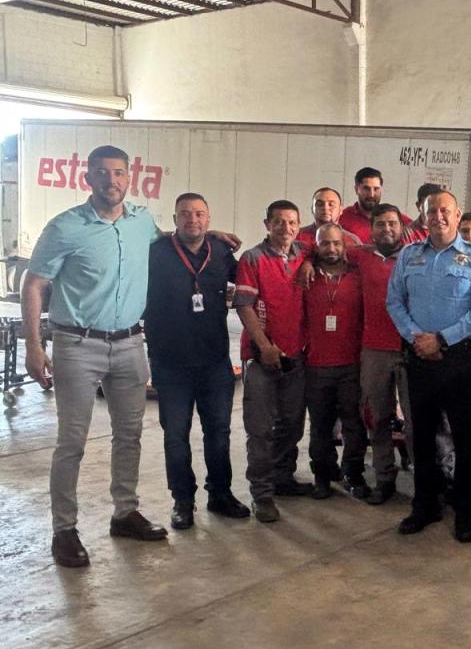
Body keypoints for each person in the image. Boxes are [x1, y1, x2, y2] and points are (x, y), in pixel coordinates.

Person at [23, 144, 168, 568]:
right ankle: (64, 530)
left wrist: (210, 235)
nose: (111, 180)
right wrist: (34, 346)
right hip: (76, 344)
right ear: (87, 178)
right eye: (102, 173)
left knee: (130, 434)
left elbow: (171, 246)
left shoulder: (142, 222)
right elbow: (34, 284)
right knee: (72, 441)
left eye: (118, 173)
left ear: (129, 177)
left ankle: (125, 512)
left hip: (130, 344)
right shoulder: (65, 227)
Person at [386, 190, 471, 543]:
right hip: (419, 358)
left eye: (445, 210)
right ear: (423, 215)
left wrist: (442, 340)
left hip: (460, 361)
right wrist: (418, 339)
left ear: (457, 214)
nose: (438, 216)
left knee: (464, 437)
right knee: (421, 435)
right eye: (431, 211)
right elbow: (394, 301)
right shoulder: (409, 255)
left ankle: (463, 508)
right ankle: (425, 504)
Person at [145, 192, 250, 531]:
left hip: (214, 362)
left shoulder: (220, 251)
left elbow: (249, 278)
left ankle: (220, 494)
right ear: (174, 219)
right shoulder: (156, 252)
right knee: (176, 436)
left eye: (199, 214)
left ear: (209, 218)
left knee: (218, 433)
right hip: (170, 363)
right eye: (185, 214)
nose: (193, 220)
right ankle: (182, 500)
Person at [235, 200, 310, 523]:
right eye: (278, 222)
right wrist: (264, 346)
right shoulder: (252, 258)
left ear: (299, 225)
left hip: (296, 356)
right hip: (261, 358)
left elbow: (326, 251)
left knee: (292, 425)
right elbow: (244, 305)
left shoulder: (304, 253)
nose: (286, 228)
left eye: (292, 222)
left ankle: (283, 477)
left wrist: (309, 263)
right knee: (260, 430)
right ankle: (262, 494)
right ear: (267, 224)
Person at [347, 203, 413, 505]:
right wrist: (308, 263)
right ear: (371, 228)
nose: (387, 229)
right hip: (374, 350)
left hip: (411, 349)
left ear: (402, 227)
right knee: (378, 417)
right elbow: (321, 249)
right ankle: (384, 477)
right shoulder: (359, 256)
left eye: (392, 223)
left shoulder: (415, 257)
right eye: (380, 224)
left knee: (416, 420)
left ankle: (425, 481)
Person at [303, 223, 367, 500]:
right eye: (325, 243)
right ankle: (323, 474)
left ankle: (353, 473)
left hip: (351, 364)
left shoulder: (357, 276)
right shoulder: (305, 275)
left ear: (344, 245)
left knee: (353, 423)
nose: (331, 248)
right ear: (316, 246)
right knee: (320, 424)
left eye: (336, 243)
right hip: (316, 364)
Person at [339, 167, 413, 244]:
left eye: (376, 189)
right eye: (366, 188)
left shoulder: (398, 219)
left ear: (381, 189)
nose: (371, 194)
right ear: (356, 189)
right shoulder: (342, 217)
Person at [295, 187, 361, 250]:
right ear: (312, 209)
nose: (325, 208)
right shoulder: (297, 236)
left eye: (331, 204)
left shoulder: (352, 241)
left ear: (341, 210)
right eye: (320, 204)